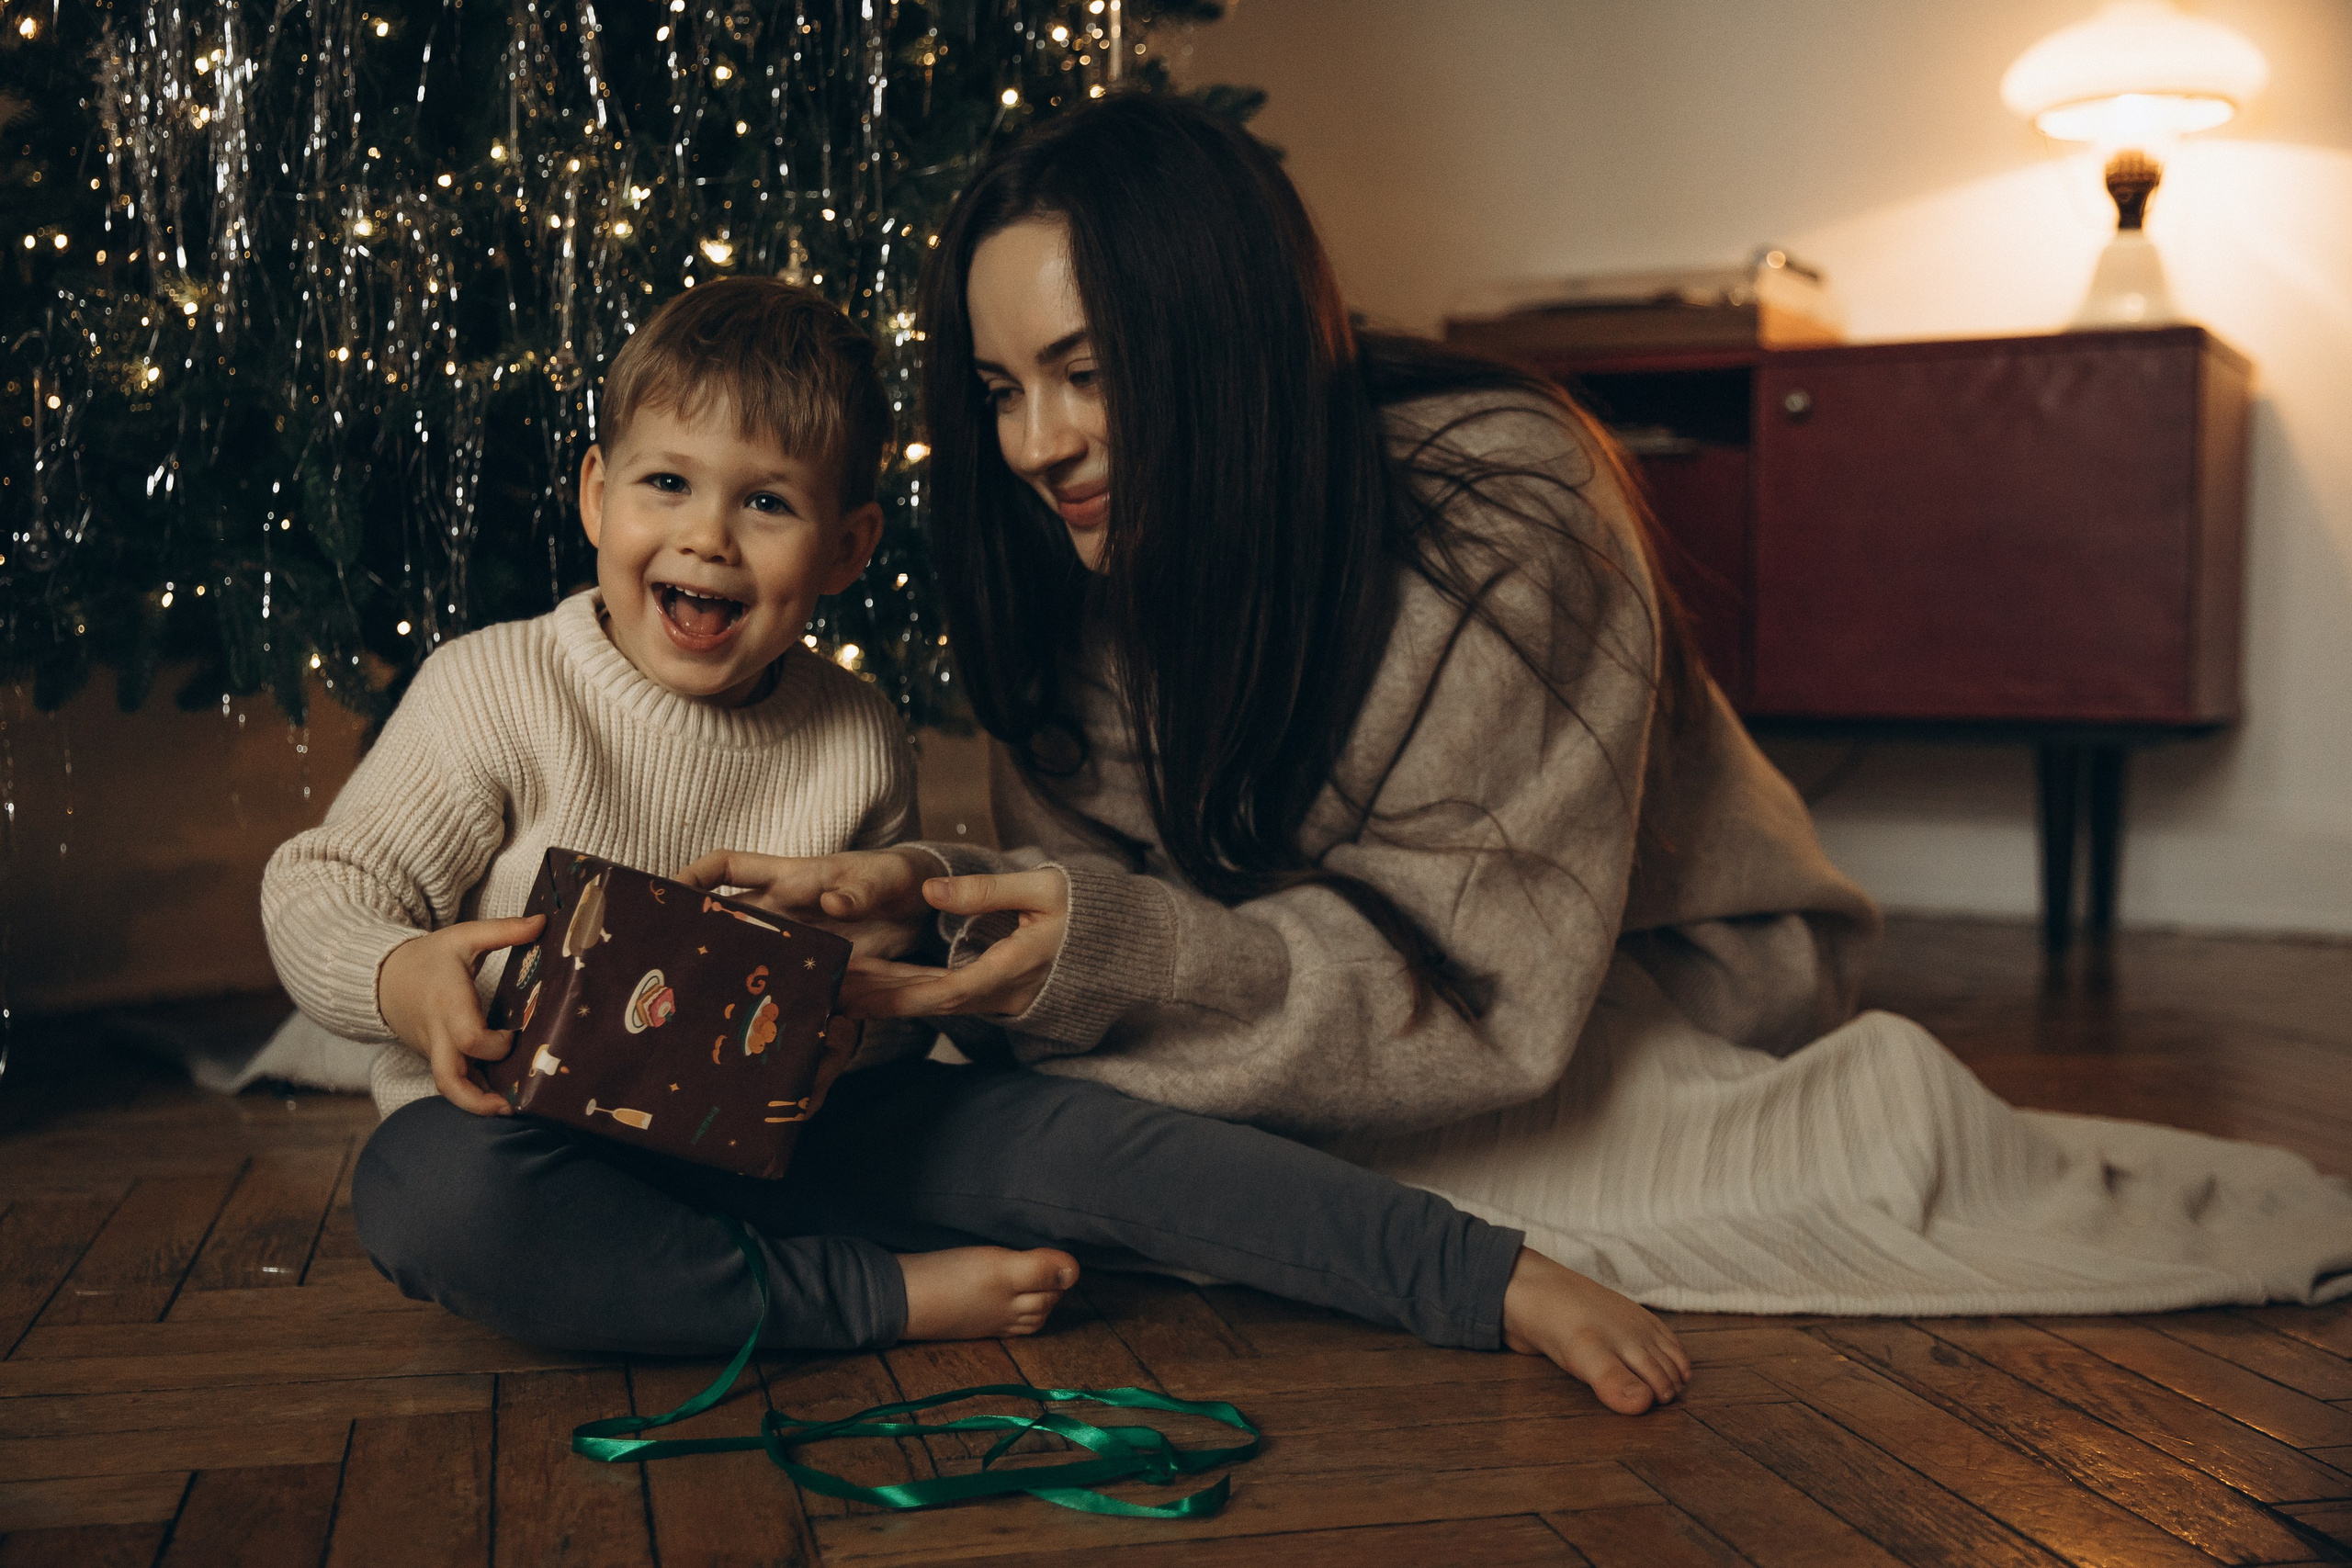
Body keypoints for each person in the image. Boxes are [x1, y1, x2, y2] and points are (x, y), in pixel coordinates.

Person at [709, 96, 2352, 1322]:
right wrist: (937, 906)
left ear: (1219, 342)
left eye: (1088, 372)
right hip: (1325, 995)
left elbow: (1475, 996)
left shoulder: (1498, 505)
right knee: (1096, 1124)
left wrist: (1101, 965)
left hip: (1617, 973)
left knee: (1399, 1159)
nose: (1033, 445)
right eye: (1000, 391)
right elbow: (1126, 932)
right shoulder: (1061, 569)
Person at [261, 276, 1694, 1411]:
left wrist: (846, 1020)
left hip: (797, 1137)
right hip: (549, 1147)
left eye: (767, 503)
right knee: (426, 1195)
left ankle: (1473, 1276)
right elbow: (328, 885)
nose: (707, 538)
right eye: (666, 486)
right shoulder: (495, 686)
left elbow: (893, 1016)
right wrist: (405, 983)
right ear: (592, 496)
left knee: (1100, 1139)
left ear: (848, 548)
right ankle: (872, 1303)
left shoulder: (854, 734)